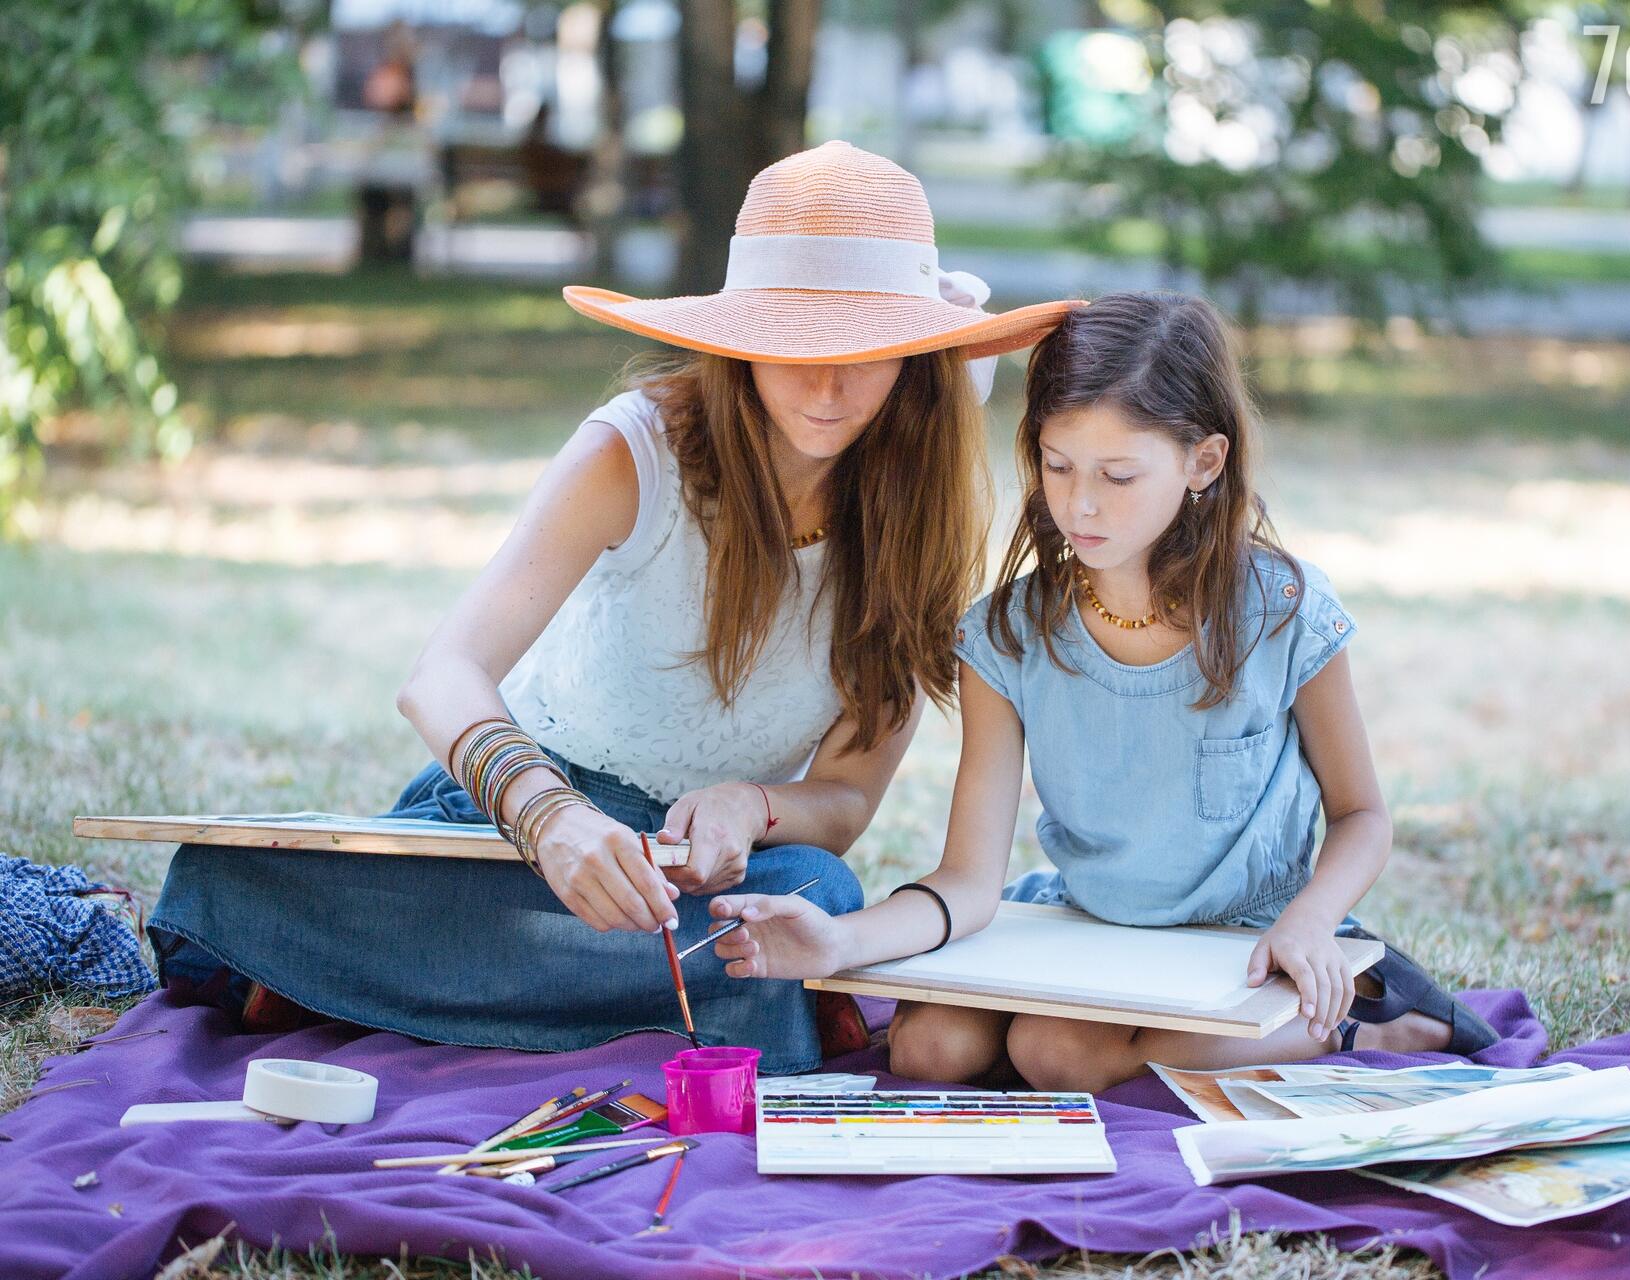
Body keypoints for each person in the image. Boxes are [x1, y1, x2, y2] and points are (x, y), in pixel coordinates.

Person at [146, 141, 1082, 1075]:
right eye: (792, 345)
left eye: (864, 351)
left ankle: (360, 987)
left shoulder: (914, 518)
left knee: (816, 892)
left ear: (916, 358)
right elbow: (442, 676)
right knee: (227, 880)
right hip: (511, 839)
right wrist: (553, 823)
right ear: (735, 336)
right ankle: (622, 1001)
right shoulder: (635, 451)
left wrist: (750, 808)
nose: (828, 387)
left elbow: (843, 804)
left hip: (698, 880)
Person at [703, 292, 1500, 1091]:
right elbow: (968, 881)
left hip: (1247, 942)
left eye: (1118, 474)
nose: (1080, 504)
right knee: (928, 1050)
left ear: (1204, 462)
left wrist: (1312, 920)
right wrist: (839, 942)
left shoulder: (1282, 613)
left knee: (1058, 1052)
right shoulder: (1009, 637)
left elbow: (1363, 816)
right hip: (1084, 929)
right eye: (1057, 465)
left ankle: (1371, 1034)